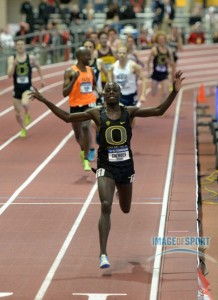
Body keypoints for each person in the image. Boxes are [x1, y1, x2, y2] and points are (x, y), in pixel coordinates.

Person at [29, 70, 185, 269]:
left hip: (125, 166)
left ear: (120, 94)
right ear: (104, 95)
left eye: (114, 90)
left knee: (126, 209)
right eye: (108, 90)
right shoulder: (96, 112)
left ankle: (120, 190)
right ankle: (103, 254)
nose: (111, 92)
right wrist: (44, 100)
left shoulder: (129, 111)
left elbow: (159, 111)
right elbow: (68, 117)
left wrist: (174, 91)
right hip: (106, 165)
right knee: (105, 204)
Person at [62, 46, 98, 171]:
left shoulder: (90, 70)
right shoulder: (70, 72)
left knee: (85, 127)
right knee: (78, 135)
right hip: (75, 106)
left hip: (89, 104)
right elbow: (64, 93)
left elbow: (93, 86)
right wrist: (74, 81)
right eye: (88, 55)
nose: (90, 57)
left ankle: (87, 159)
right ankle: (83, 150)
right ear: (80, 57)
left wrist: (99, 93)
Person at [7, 38, 45, 137]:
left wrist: (42, 79)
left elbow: (38, 66)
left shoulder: (30, 58)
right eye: (18, 44)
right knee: (17, 113)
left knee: (24, 102)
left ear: (25, 46)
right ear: (16, 46)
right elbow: (9, 75)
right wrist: (14, 65)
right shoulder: (12, 59)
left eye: (22, 44)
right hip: (16, 89)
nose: (20, 46)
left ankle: (27, 112)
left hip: (27, 87)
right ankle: (23, 128)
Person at [147, 31, 175, 101]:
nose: (162, 41)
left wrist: (168, 62)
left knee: (165, 92)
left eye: (163, 39)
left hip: (164, 74)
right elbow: (148, 61)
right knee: (153, 93)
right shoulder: (154, 50)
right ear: (157, 41)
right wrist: (148, 71)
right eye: (160, 39)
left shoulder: (169, 50)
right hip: (155, 74)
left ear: (165, 40)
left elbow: (172, 64)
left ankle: (161, 108)